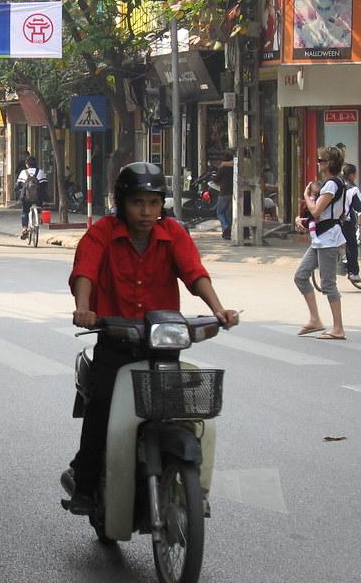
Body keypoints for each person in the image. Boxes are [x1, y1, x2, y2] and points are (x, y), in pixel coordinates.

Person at [63, 161, 238, 513]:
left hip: (162, 344)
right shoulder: (102, 232)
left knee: (183, 416)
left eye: (154, 203)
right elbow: (85, 271)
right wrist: (84, 307)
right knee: (102, 411)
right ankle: (83, 483)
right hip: (115, 342)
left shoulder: (172, 233)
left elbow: (194, 273)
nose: (146, 212)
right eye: (138, 203)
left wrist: (219, 309)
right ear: (122, 203)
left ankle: (190, 491)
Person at [294, 146, 349, 340]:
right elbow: (317, 214)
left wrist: (307, 197)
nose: (318, 164)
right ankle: (315, 319)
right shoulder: (329, 184)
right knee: (301, 276)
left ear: (329, 164)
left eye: (321, 161)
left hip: (328, 238)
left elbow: (317, 211)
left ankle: (338, 328)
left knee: (328, 283)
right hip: (321, 236)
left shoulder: (332, 184)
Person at [341, 163, 361, 284]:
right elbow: (360, 206)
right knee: (352, 245)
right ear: (352, 175)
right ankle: (353, 273)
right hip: (345, 221)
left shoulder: (335, 183)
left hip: (332, 220)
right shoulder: (353, 188)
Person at [15, 155, 47, 239]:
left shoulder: (23, 173)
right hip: (38, 198)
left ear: (26, 164)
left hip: (26, 198)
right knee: (39, 205)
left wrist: (16, 189)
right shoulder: (40, 172)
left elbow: (18, 185)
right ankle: (39, 215)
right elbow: (44, 184)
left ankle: (25, 228)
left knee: (24, 211)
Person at [214, 149, 234, 240]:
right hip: (232, 193)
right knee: (228, 213)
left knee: (220, 212)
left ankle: (225, 227)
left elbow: (216, 180)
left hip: (223, 193)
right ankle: (227, 233)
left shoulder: (222, 168)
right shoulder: (234, 168)